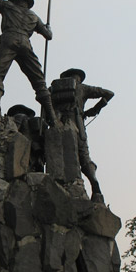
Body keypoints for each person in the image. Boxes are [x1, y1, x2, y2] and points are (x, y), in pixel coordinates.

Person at [51, 68, 114, 203]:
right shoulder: (83, 88)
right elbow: (109, 94)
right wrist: (95, 109)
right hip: (77, 124)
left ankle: (60, 185)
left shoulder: (54, 90)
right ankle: (95, 185)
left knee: (60, 155)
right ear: (78, 78)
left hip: (59, 124)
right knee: (84, 156)